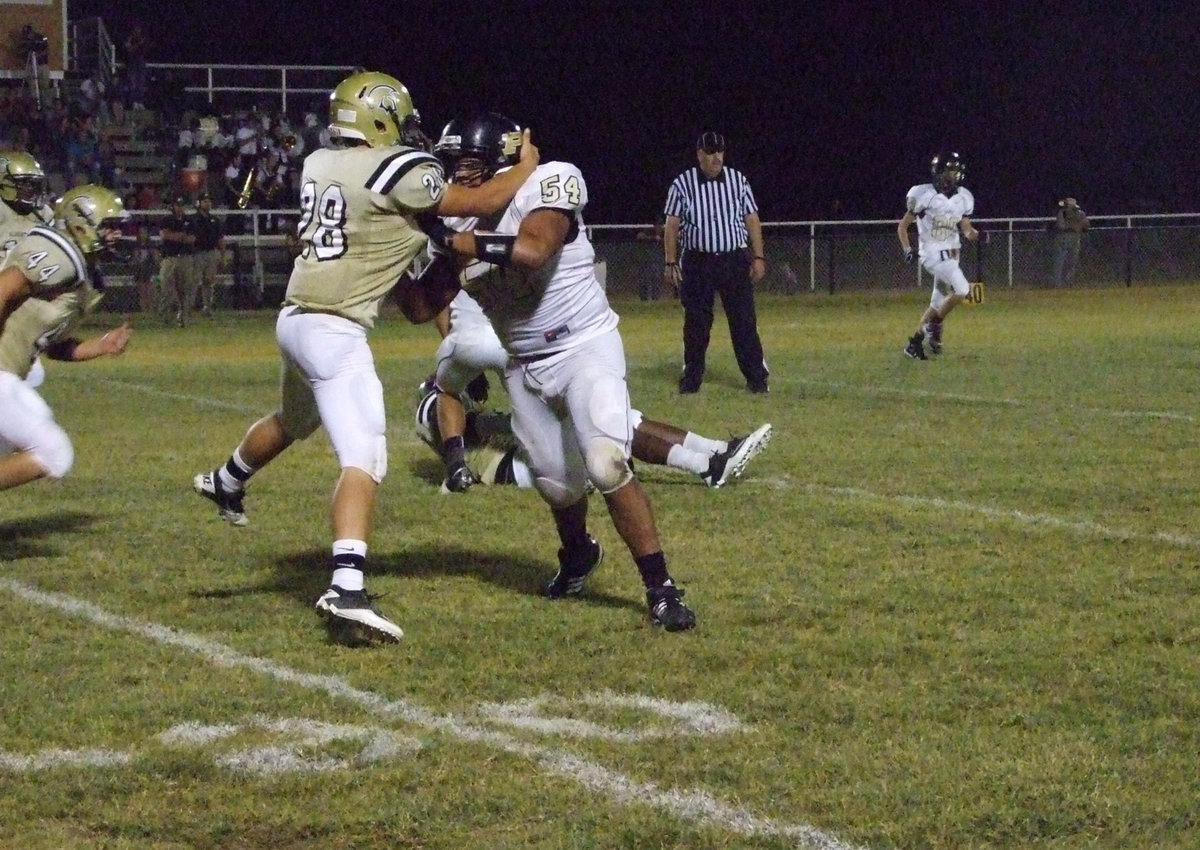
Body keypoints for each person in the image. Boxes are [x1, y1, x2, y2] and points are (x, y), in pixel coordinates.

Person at [190, 71, 539, 646]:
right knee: (365, 458)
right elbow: (480, 200)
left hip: (295, 318)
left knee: (294, 419)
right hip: (335, 329)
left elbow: (391, 236)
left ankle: (226, 480)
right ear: (379, 117)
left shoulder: (319, 162)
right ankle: (346, 586)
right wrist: (525, 167)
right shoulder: (400, 168)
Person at [430, 112, 697, 631]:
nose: (459, 177)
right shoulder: (452, 224)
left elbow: (533, 250)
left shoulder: (550, 179)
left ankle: (661, 588)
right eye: (454, 165)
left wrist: (453, 242)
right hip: (523, 361)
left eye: (470, 165)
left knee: (606, 463)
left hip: (583, 346)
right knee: (557, 485)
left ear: (504, 159)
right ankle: (578, 553)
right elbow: (423, 303)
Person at [418, 288, 772, 492]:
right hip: (524, 337)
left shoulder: (481, 434)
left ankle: (714, 452)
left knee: (611, 418)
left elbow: (443, 311)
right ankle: (707, 462)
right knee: (607, 420)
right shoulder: (486, 457)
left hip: (490, 340)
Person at [0, 185, 133, 491]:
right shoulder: (61, 253)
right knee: (54, 452)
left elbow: (54, 347)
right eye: (109, 226)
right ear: (81, 223)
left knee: (22, 435)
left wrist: (101, 345)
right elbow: (3, 288)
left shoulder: (79, 273)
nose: (117, 235)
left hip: (9, 373)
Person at [662, 131, 769, 394]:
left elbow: (752, 218)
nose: (716, 157)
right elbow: (672, 224)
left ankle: (757, 378)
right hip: (698, 261)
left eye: (720, 151)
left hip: (734, 259)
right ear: (699, 154)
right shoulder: (682, 183)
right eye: (710, 152)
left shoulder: (738, 180)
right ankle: (692, 377)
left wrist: (758, 256)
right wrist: (670, 261)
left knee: (743, 321)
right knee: (696, 323)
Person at [898, 151, 979, 360]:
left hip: (953, 256)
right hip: (933, 255)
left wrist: (972, 233)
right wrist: (907, 249)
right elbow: (903, 226)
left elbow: (965, 226)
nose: (952, 176)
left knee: (936, 304)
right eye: (948, 172)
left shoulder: (963, 197)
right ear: (939, 172)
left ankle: (914, 344)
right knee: (963, 289)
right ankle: (934, 325)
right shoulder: (924, 195)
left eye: (955, 172)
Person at [158, 196, 197, 327]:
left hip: (185, 257)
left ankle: (183, 317)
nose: (180, 208)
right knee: (166, 287)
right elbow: (165, 235)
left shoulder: (189, 220)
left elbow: (192, 238)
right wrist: (180, 236)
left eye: (181, 205)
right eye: (177, 205)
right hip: (170, 257)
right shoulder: (167, 220)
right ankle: (165, 317)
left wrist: (176, 236)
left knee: (184, 288)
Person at [190, 191, 225, 315]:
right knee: (194, 281)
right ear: (199, 203)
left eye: (209, 201)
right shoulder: (193, 219)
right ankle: (189, 306)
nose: (208, 204)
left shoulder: (215, 220)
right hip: (197, 252)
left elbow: (220, 239)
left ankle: (207, 307)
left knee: (209, 281)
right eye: (205, 201)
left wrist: (222, 255)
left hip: (211, 252)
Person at [1049, 196, 1088, 288]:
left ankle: (1069, 281)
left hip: (1075, 238)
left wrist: (1076, 225)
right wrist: (1074, 226)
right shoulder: (1062, 213)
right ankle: (1057, 283)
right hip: (1063, 238)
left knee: (1073, 261)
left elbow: (1086, 225)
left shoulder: (1080, 213)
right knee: (1059, 261)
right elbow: (1061, 226)